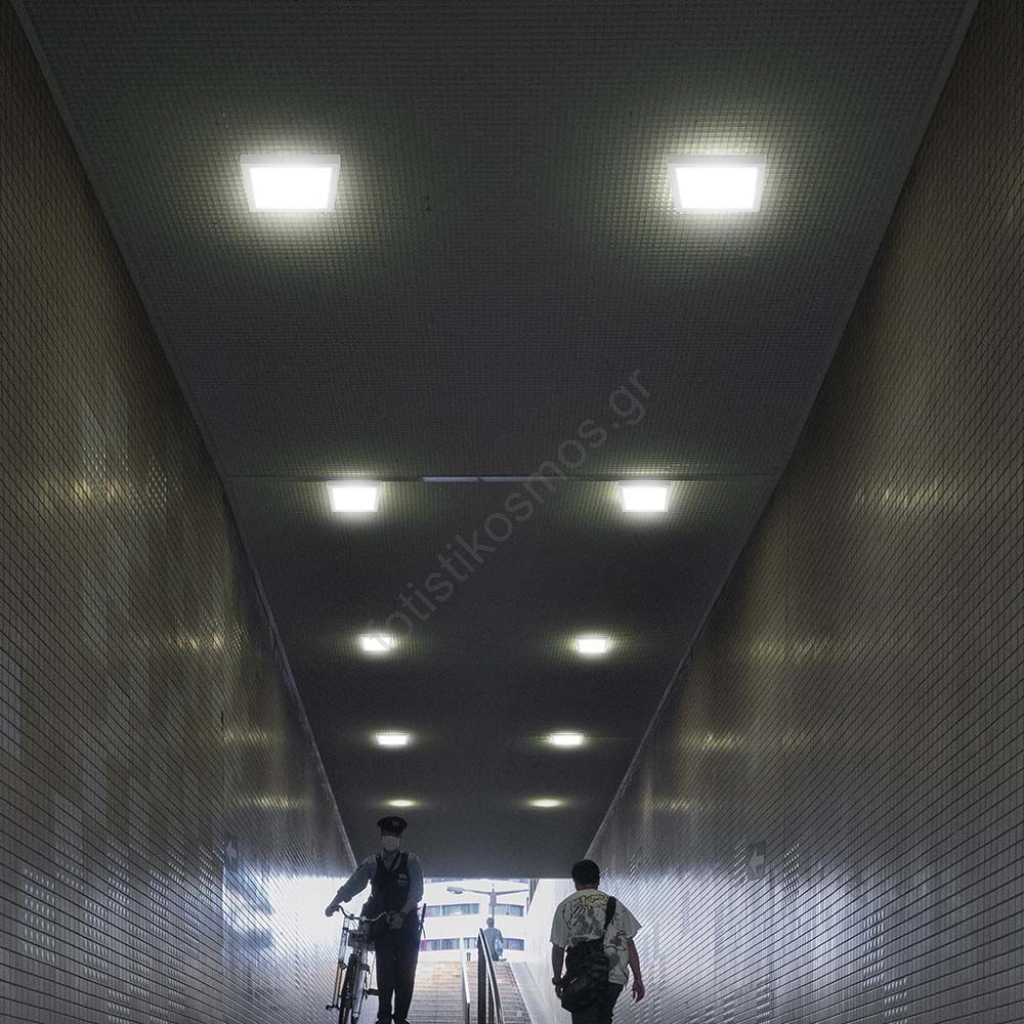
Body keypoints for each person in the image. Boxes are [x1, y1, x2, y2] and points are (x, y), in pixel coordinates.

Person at [326, 815, 423, 1024]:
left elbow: (416, 893)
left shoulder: (411, 862)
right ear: (381, 836)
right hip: (382, 924)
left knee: (406, 973)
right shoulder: (372, 863)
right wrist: (334, 903)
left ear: (399, 838)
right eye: (387, 834)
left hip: (406, 925)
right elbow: (354, 884)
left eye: (395, 834)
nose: (391, 837)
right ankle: (384, 1018)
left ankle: (401, 1018)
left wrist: (402, 914)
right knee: (385, 972)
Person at [550, 859, 645, 1024]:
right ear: (598, 880)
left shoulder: (565, 906)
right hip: (613, 977)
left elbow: (558, 948)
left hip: (582, 976)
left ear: (575, 882)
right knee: (604, 1017)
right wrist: (638, 978)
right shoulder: (615, 905)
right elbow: (629, 943)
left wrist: (558, 980)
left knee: (584, 1018)